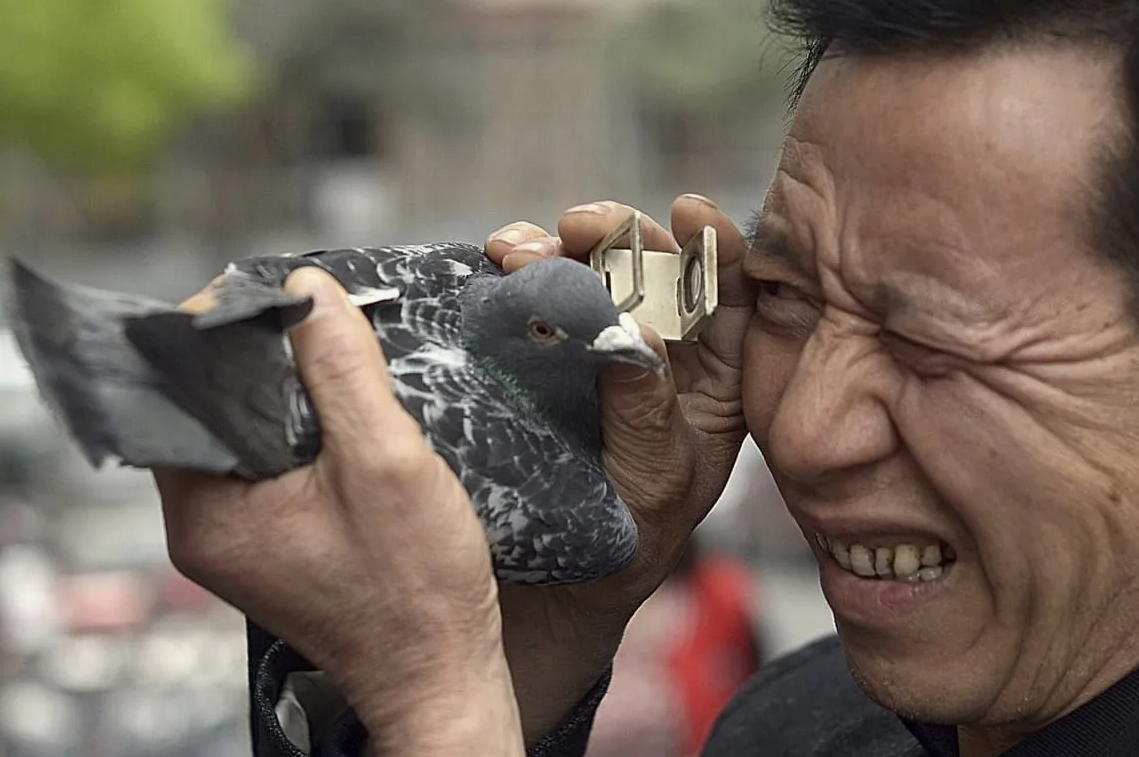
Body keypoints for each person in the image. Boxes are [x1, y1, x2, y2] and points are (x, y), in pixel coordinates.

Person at [155, 0, 1139, 754]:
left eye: (928, 337)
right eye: (789, 295)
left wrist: (440, 703)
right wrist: (527, 641)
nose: (798, 429)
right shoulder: (791, 725)